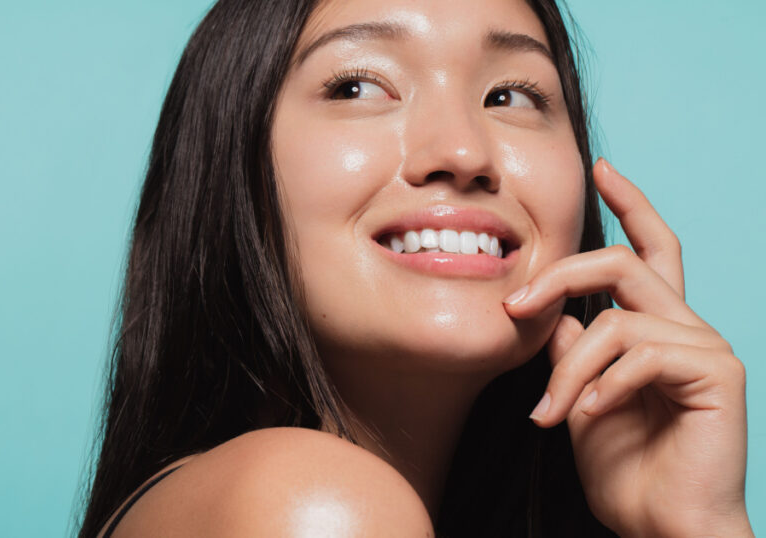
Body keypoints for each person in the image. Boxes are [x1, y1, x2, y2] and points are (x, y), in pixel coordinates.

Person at [76, 0, 751, 535]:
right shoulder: (312, 508)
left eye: (510, 96)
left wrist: (693, 524)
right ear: (231, 166)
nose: (462, 150)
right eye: (359, 85)